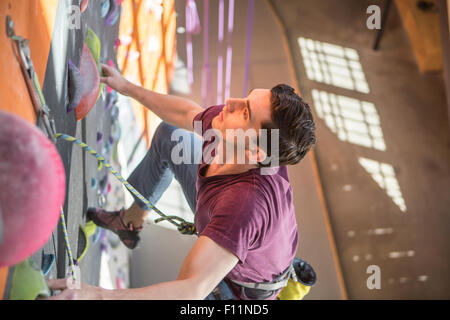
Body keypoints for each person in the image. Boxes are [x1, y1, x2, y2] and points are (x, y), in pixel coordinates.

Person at [46, 63, 316, 300]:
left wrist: (97, 296)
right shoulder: (237, 133)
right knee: (171, 135)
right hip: (243, 229)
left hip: (237, 290)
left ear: (255, 152)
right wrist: (127, 87)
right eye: (245, 98)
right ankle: (130, 222)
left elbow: (191, 289)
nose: (231, 101)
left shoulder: (244, 207)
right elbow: (187, 115)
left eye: (245, 112)